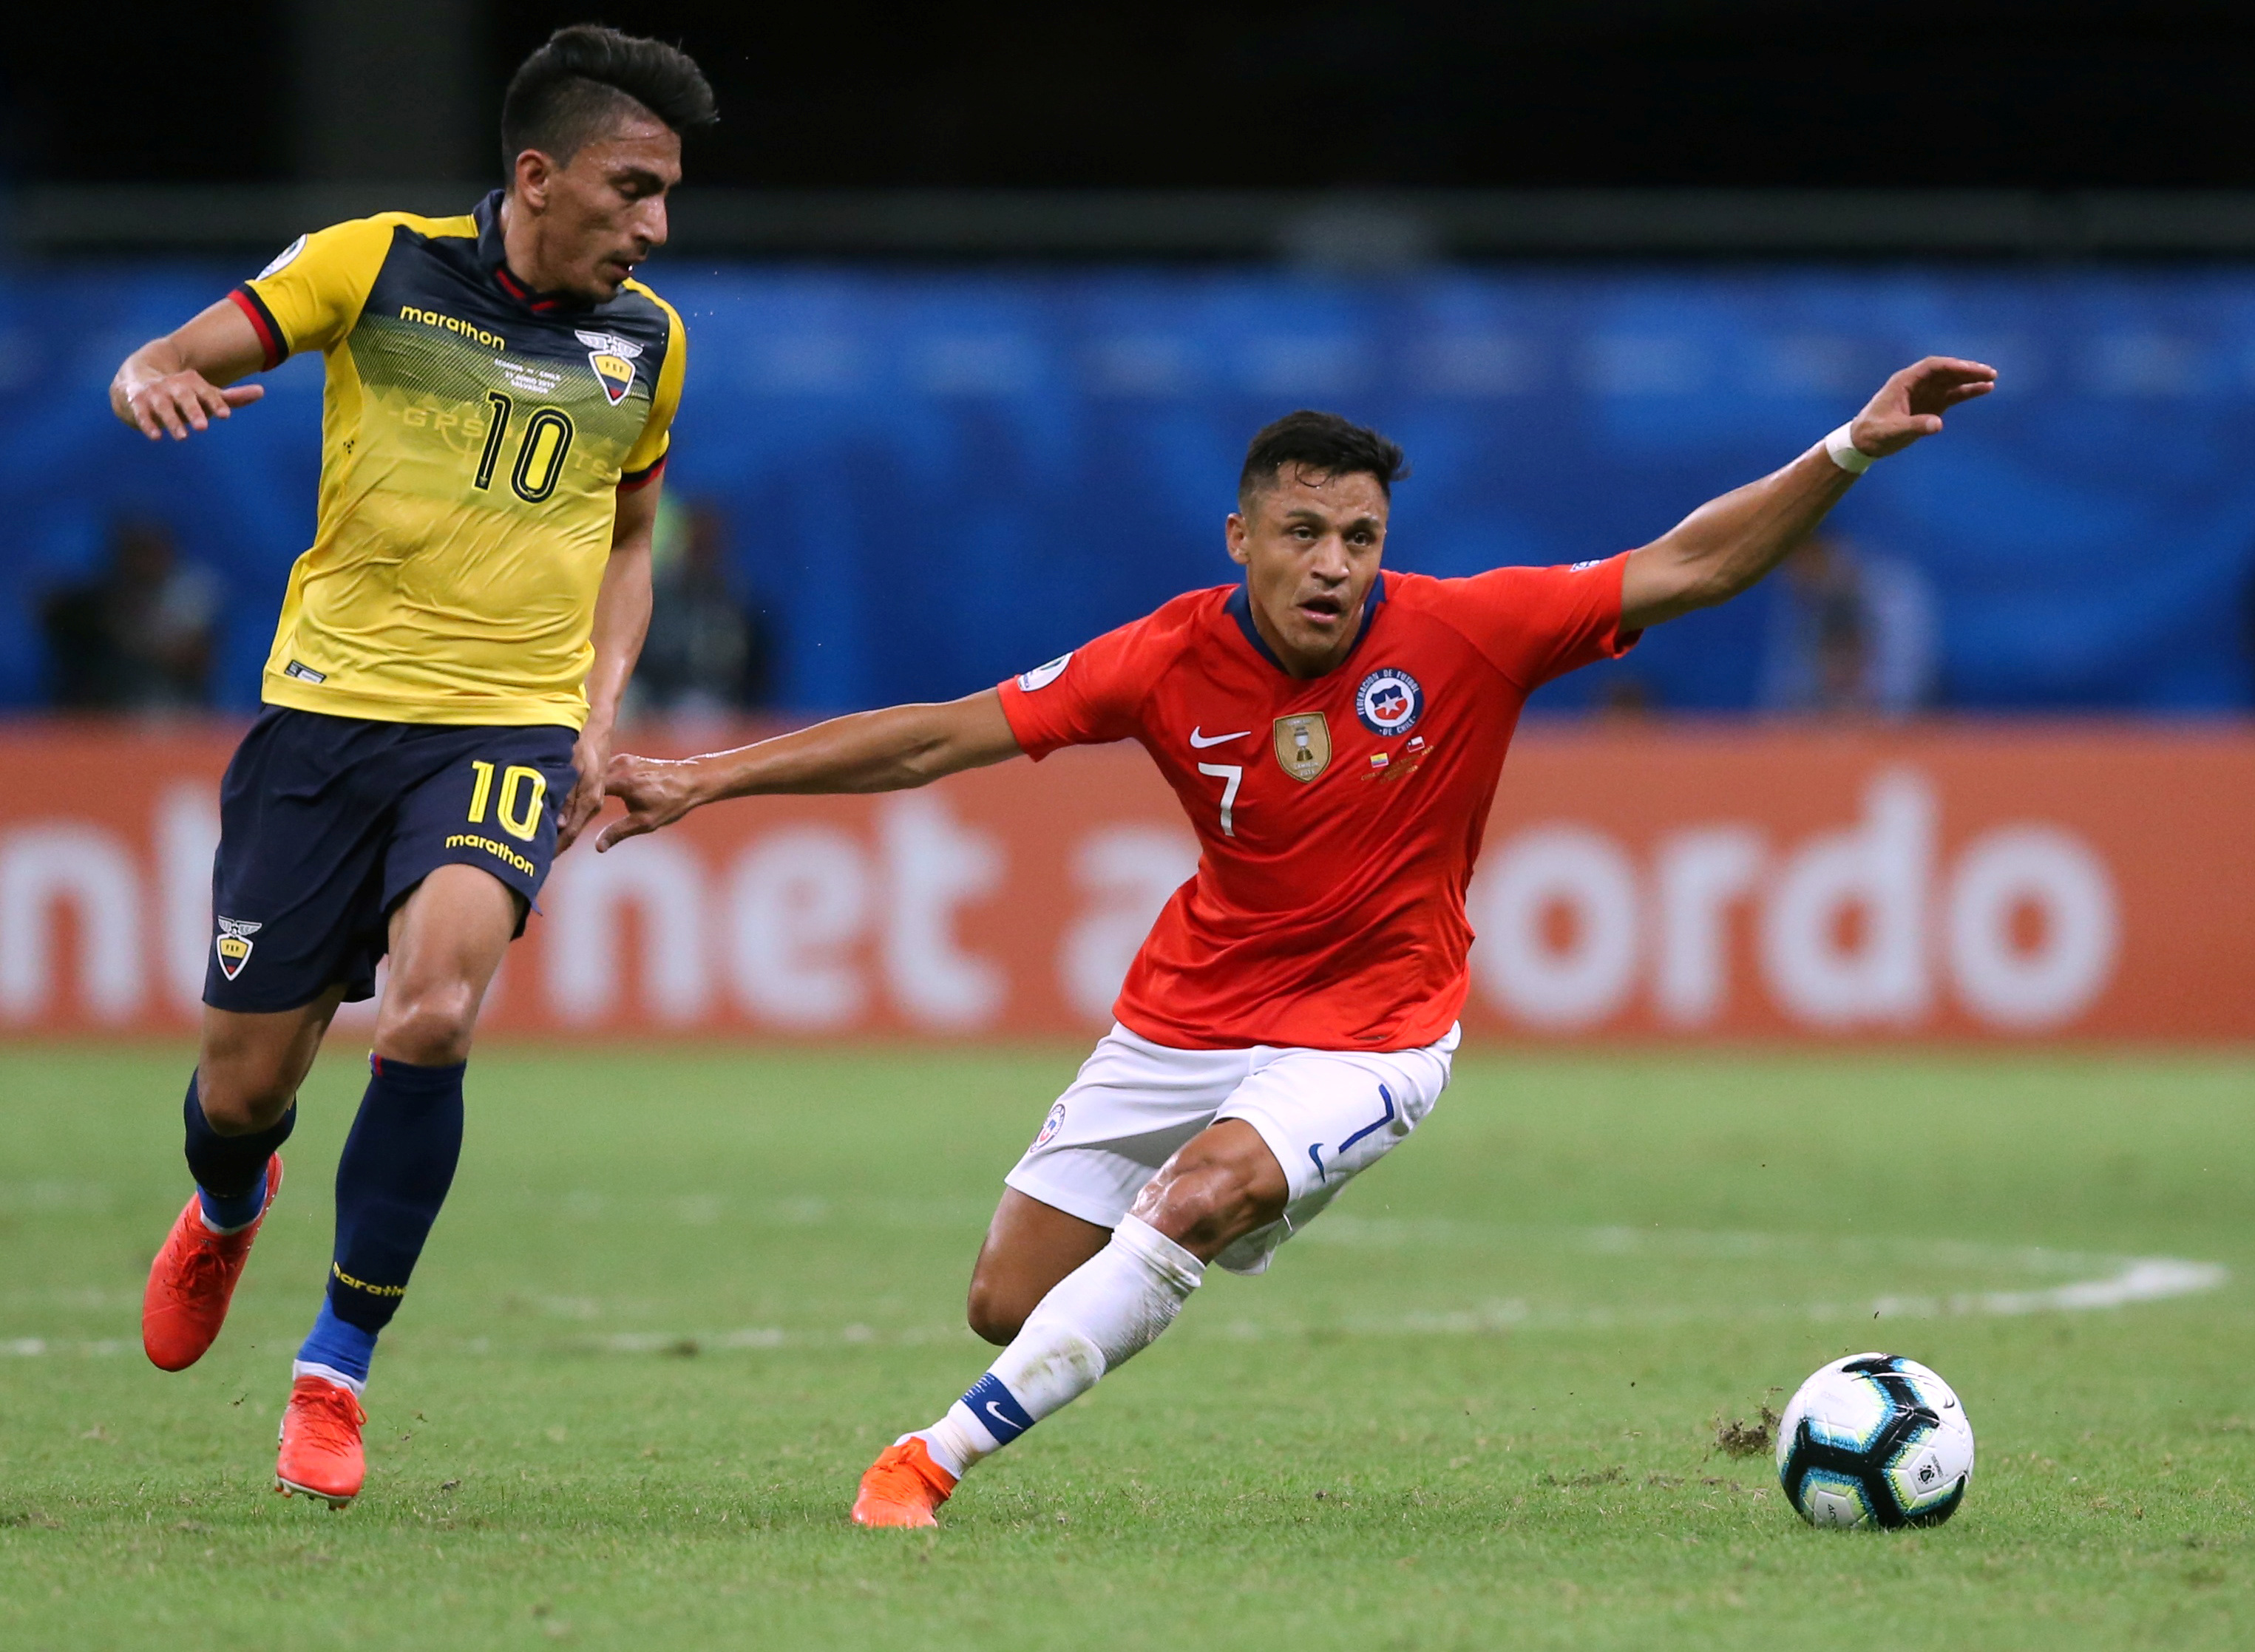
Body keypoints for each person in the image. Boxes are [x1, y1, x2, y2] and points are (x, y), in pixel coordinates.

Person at [599, 356, 1996, 1529]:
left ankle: (928, 1463)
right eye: (1305, 534)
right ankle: (1230, 1211)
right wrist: (706, 777)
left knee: (1194, 1201)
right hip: (1186, 1013)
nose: (1334, 566)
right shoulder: (1160, 657)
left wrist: (1848, 450)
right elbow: (931, 738)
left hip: (1376, 1033)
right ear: (1241, 538)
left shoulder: (1470, 633)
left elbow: (1692, 565)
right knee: (1010, 1300)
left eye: (1361, 539)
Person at [106, 25, 714, 1509]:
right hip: (324, 725)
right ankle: (228, 1196)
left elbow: (629, 538)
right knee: (243, 1085)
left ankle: (336, 1365)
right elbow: (172, 353)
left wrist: (597, 698)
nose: (655, 227)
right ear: (536, 174)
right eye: (631, 189)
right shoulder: (371, 265)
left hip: (502, 728)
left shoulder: (649, 340)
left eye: (666, 196)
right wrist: (148, 379)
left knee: (436, 1010)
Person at [39, 519, 221, 710]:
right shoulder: (107, 595)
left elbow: (195, 660)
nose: (140, 563)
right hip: (112, 710)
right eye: (133, 553)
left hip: (176, 710)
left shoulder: (193, 592)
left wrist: (136, 634)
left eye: (147, 551)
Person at [1759, 534, 1939, 717]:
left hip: (1894, 719)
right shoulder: (1803, 609)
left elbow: (1907, 682)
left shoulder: (1894, 595)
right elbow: (1788, 693)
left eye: (1803, 564)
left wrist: (1878, 712)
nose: (1796, 578)